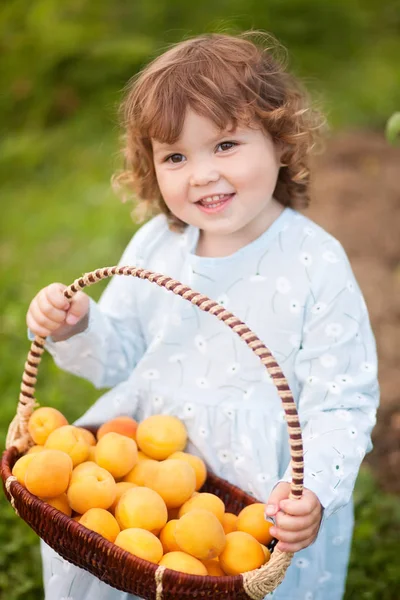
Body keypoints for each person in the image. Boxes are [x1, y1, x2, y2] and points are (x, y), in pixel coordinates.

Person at [26, 32, 379, 600]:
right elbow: (120, 355)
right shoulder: (155, 245)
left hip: (260, 489)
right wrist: (77, 324)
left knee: (236, 577)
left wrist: (311, 489)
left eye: (225, 145)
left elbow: (342, 400)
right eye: (175, 156)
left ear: (281, 142)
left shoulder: (316, 263)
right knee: (133, 571)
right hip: (149, 474)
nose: (201, 174)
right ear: (152, 167)